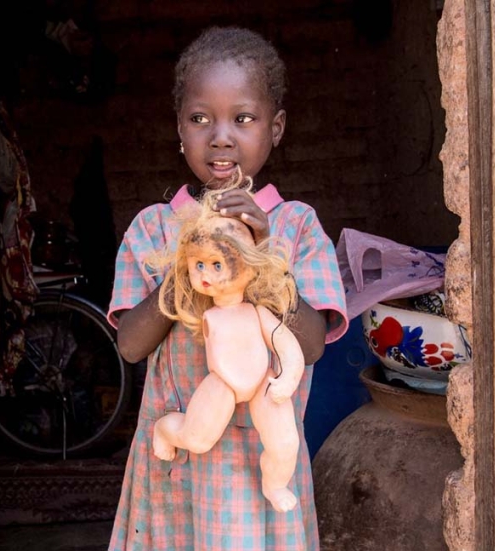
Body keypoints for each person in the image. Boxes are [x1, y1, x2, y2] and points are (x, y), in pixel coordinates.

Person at [107, 26, 348, 551]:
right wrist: (195, 258)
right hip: (176, 469)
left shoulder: (297, 226)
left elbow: (309, 345)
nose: (221, 137)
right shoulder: (154, 229)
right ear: (179, 129)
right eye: (200, 119)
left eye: (243, 119)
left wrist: (258, 258)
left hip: (261, 462)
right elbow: (130, 344)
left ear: (275, 128)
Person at [150, 176, 306, 514]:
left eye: (217, 264)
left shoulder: (258, 311)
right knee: (197, 439)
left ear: (251, 269)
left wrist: (289, 376)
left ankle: (274, 484)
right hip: (221, 384)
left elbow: (286, 343)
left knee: (285, 442)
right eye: (198, 265)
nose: (205, 274)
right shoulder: (206, 311)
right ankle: (164, 429)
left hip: (265, 383)